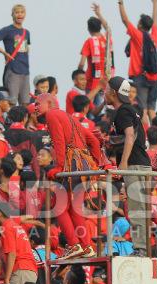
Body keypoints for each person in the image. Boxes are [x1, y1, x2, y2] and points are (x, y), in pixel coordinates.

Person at [36, 93, 103, 258]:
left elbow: (59, 142)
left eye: (37, 103)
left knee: (59, 207)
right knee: (74, 208)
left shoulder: (52, 114)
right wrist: (97, 164)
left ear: (50, 103)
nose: (35, 107)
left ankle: (74, 245)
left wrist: (59, 167)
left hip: (72, 164)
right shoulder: (70, 117)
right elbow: (93, 141)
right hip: (85, 166)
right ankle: (87, 247)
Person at [107, 76, 151, 256]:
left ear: (113, 93)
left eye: (106, 90)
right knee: (140, 209)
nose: (104, 93)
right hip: (142, 164)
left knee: (136, 210)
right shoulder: (130, 110)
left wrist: (123, 163)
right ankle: (143, 248)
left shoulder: (123, 111)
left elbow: (130, 135)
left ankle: (141, 249)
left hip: (134, 165)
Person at [119, 0, 157, 122]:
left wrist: (121, 4)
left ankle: (146, 138)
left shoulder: (138, 35)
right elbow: (155, 22)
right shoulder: (154, 37)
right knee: (152, 110)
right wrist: (155, 4)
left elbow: (125, 21)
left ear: (140, 25)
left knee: (143, 110)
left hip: (141, 78)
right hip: (154, 78)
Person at [0, 4, 31, 105]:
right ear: (12, 15)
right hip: (13, 69)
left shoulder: (26, 32)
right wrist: (4, 53)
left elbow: (27, 49)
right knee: (12, 101)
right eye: (17, 12)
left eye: (22, 12)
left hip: (25, 71)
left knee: (25, 103)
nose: (20, 15)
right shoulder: (7, 30)